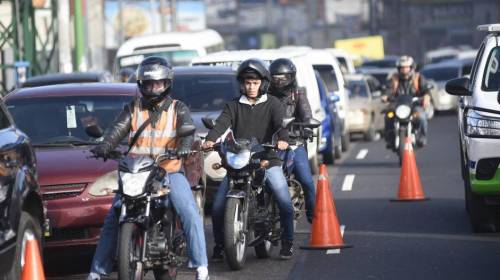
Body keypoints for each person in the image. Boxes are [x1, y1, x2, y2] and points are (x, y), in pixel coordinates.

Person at [87, 56, 209, 280]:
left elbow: (187, 131)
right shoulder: (132, 108)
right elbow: (116, 130)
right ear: (141, 84)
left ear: (167, 83)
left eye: (158, 83)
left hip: (169, 170)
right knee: (114, 217)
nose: (154, 88)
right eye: (149, 83)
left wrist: (183, 148)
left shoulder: (177, 108)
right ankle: (97, 271)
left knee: (189, 212)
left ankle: (201, 266)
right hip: (137, 173)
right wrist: (104, 145)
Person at [202, 58, 295, 260]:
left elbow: (281, 126)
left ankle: (287, 241)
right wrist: (209, 140)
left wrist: (283, 140)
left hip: (267, 159)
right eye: (247, 83)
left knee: (284, 201)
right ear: (242, 84)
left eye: (255, 83)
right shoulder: (233, 106)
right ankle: (220, 245)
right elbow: (220, 125)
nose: (251, 87)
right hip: (240, 162)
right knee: (217, 208)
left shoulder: (273, 104)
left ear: (263, 83)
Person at [268, 58, 316, 224]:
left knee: (307, 181)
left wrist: (308, 126)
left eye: (283, 77)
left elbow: (306, 114)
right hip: (271, 144)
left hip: (294, 143)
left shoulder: (298, 94)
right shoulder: (265, 94)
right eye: (275, 77)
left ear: (291, 77)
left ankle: (313, 215)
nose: (279, 81)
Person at [381, 55, 431, 147]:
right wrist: (385, 96)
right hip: (397, 105)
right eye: (402, 68)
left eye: (407, 67)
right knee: (388, 116)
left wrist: (426, 97)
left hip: (414, 105)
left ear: (412, 68)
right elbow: (388, 90)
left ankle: (422, 137)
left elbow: (426, 90)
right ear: (398, 68)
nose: (404, 70)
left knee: (422, 117)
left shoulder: (418, 78)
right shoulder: (394, 79)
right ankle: (389, 138)